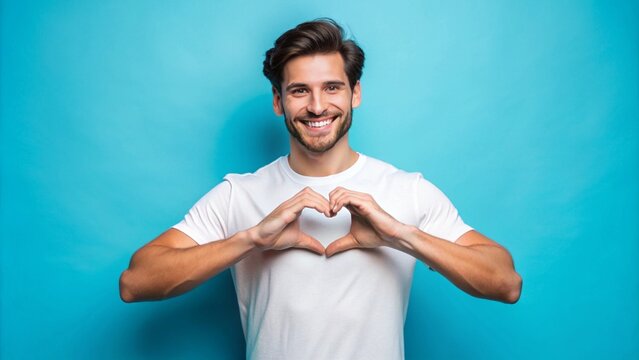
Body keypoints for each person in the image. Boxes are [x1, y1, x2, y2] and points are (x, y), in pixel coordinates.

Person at [119, 18, 522, 359]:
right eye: (299, 91)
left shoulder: (408, 191)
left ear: (355, 94)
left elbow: (505, 283)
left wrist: (400, 236)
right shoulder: (239, 194)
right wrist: (251, 239)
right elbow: (135, 283)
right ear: (278, 101)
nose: (316, 106)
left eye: (332, 87)